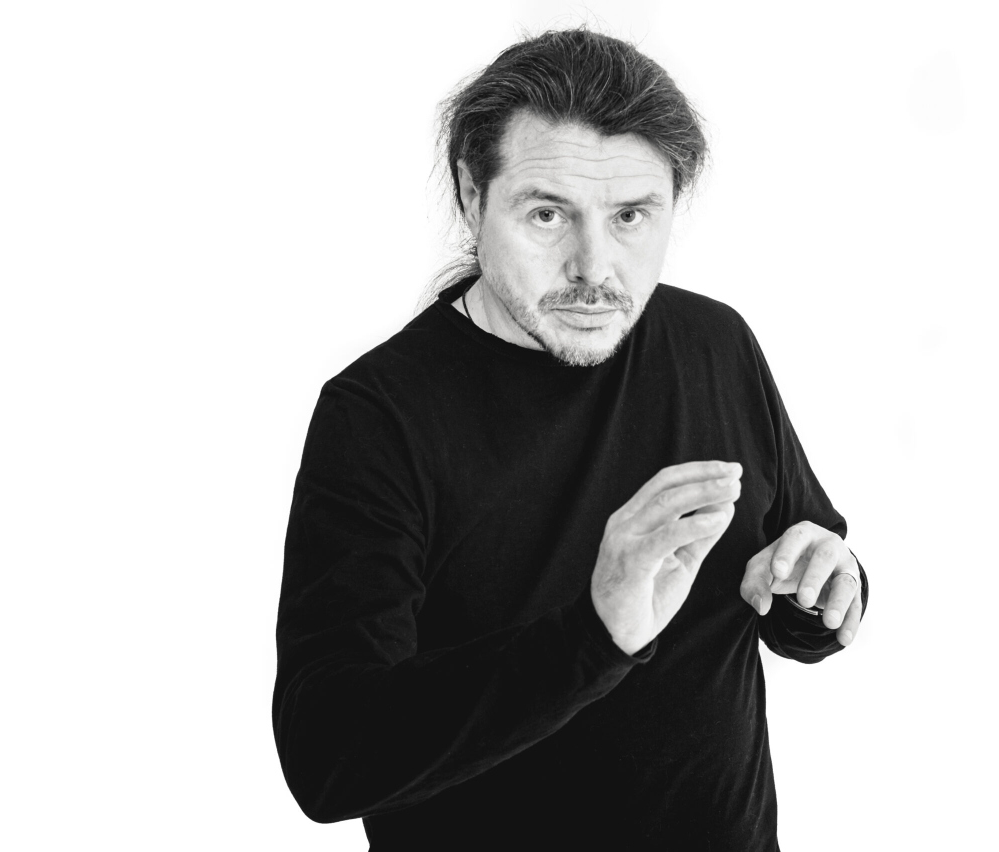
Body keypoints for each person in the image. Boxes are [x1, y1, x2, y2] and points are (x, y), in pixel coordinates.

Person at [273, 28, 869, 851]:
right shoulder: (378, 417)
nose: (595, 267)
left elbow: (798, 573)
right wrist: (594, 634)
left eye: (630, 217)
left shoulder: (714, 344)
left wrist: (823, 588)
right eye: (548, 214)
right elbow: (330, 757)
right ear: (472, 195)